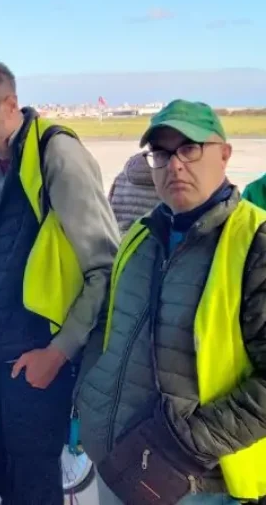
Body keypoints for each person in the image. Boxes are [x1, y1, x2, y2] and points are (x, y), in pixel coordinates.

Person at [77, 100, 266, 504]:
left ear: (225, 154)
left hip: (197, 480)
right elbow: (109, 333)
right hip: (117, 462)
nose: (175, 165)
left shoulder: (255, 242)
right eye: (161, 153)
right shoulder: (139, 237)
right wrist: (86, 406)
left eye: (190, 148)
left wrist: (187, 445)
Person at [0, 58, 119, 504]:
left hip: (35, 361)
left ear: (9, 106)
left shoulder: (56, 155)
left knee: (33, 491)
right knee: (8, 482)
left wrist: (57, 354)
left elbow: (104, 268)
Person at [108, 150, 161, 232]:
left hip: (119, 238)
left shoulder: (122, 176)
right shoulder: (169, 178)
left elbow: (109, 208)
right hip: (150, 240)